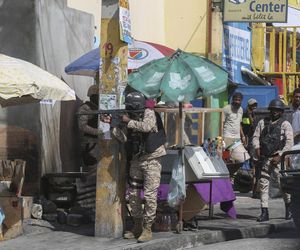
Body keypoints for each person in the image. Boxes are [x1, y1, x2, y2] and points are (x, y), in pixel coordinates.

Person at [112, 91, 166, 243]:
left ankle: (147, 228)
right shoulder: (128, 115)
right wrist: (114, 125)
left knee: (149, 195)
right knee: (133, 194)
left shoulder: (149, 112)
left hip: (152, 159)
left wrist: (127, 121)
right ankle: (137, 226)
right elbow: (123, 139)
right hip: (137, 159)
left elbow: (147, 127)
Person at [252, 99, 293, 222]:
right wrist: (257, 148)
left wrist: (280, 155)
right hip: (265, 158)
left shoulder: (285, 124)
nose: (275, 112)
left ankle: (289, 209)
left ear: (281, 111)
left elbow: (289, 142)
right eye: (273, 109)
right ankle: (264, 212)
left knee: (283, 185)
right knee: (263, 185)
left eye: (277, 110)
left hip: (278, 159)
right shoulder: (262, 122)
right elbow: (255, 137)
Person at [77, 85, 104, 172]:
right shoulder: (86, 108)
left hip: (100, 143)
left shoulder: (100, 107)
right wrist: (98, 132)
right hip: (90, 143)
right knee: (91, 169)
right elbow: (82, 126)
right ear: (93, 96)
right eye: (98, 96)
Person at [223, 92, 249, 163]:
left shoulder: (241, 110)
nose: (237, 102)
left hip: (237, 138)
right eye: (236, 100)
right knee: (226, 159)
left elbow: (239, 123)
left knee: (243, 157)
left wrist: (243, 136)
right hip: (226, 137)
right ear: (232, 100)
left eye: (239, 100)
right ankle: (228, 173)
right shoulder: (226, 109)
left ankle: (232, 172)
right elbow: (221, 123)